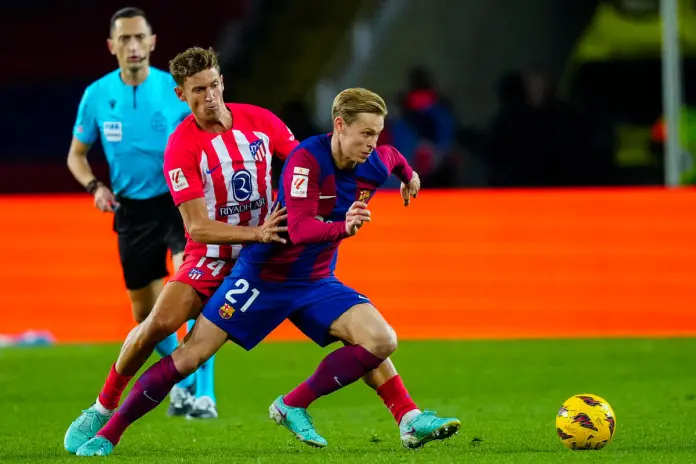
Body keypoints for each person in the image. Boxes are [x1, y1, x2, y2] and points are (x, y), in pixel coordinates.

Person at [73, 87, 460, 457]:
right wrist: (347, 227)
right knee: (189, 357)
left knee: (381, 340)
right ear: (339, 126)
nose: (373, 143)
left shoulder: (373, 160)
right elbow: (299, 229)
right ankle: (110, 429)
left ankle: (390, 416)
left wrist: (410, 176)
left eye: (376, 133)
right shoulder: (305, 163)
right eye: (366, 134)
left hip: (315, 281)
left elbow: (393, 156)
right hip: (263, 277)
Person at [63, 46, 291, 454]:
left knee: (342, 317)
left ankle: (404, 410)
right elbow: (198, 228)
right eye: (199, 90)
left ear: (223, 80)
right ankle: (103, 408)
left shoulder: (261, 122)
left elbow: (305, 166)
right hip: (212, 259)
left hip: (265, 262)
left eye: (215, 85)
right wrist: (258, 233)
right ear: (180, 95)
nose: (210, 97)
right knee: (154, 326)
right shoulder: (181, 146)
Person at [65, 7, 212, 419]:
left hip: (179, 203)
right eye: (124, 39)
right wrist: (95, 186)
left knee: (194, 295)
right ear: (112, 46)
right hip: (131, 211)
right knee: (146, 316)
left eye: (139, 38)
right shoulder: (96, 95)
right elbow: (76, 156)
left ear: (153, 42)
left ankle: (205, 394)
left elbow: (206, 136)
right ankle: (184, 380)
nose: (133, 45)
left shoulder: (175, 90)